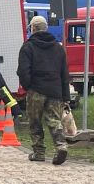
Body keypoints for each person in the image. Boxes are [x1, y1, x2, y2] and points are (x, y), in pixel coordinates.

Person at [17, 15, 70, 165]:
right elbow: (64, 73)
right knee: (54, 120)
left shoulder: (28, 46)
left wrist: (28, 87)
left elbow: (23, 70)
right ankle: (61, 145)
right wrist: (66, 95)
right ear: (46, 28)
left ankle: (39, 152)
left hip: (36, 90)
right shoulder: (58, 48)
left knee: (35, 121)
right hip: (55, 90)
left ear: (33, 29)